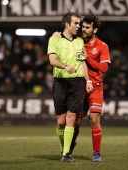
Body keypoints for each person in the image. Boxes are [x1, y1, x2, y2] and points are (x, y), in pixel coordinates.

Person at [47, 12, 93, 162]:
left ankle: (66, 154)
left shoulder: (79, 42)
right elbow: (52, 60)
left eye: (79, 24)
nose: (78, 26)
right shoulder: (54, 39)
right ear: (67, 24)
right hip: (60, 83)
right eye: (76, 23)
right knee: (60, 121)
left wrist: (88, 81)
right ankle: (64, 149)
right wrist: (65, 66)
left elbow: (82, 63)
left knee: (71, 117)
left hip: (76, 83)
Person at [69, 15, 111, 162]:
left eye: (87, 27)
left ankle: (96, 153)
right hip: (79, 87)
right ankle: (71, 144)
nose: (83, 29)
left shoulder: (102, 46)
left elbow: (104, 68)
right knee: (76, 123)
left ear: (95, 29)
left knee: (94, 119)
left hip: (95, 87)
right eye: (83, 26)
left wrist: (88, 57)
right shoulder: (77, 41)